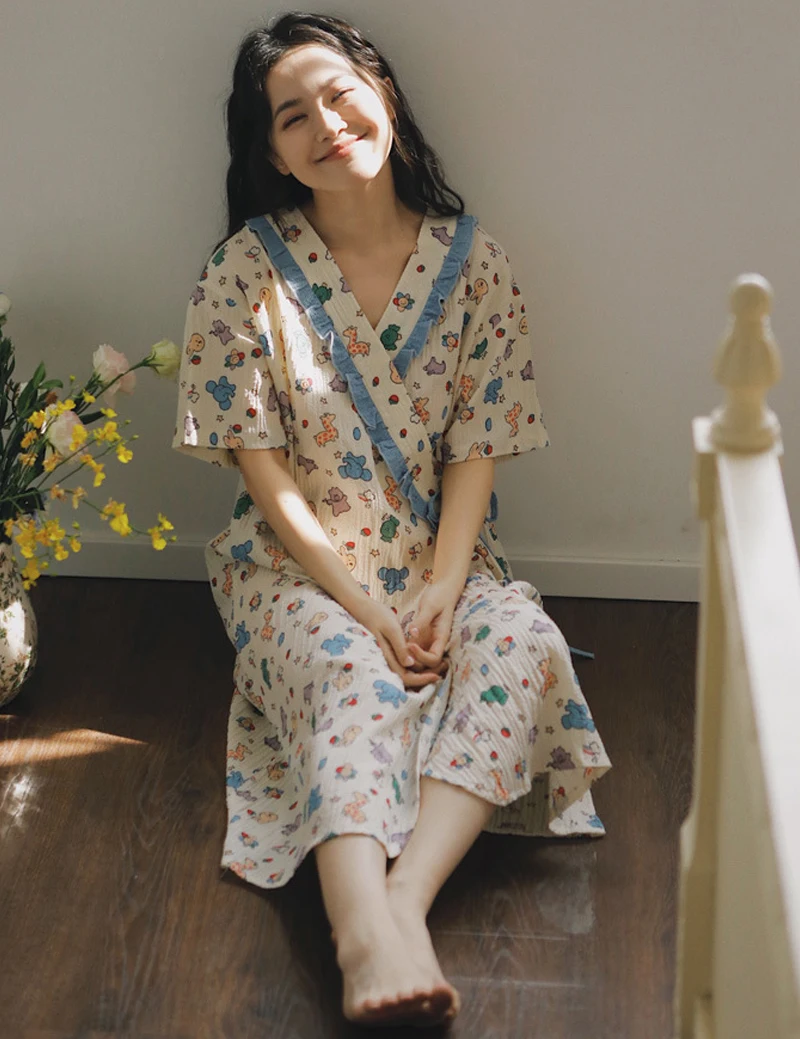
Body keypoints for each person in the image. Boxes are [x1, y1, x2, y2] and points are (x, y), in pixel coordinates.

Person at [172, 11, 612, 1029]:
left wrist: (447, 585)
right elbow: (265, 475)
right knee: (351, 677)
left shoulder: (476, 263)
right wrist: (366, 609)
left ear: (385, 97)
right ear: (270, 153)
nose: (326, 124)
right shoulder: (242, 272)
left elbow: (476, 447)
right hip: (294, 569)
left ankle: (403, 898)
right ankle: (359, 930)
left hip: (440, 554)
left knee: (524, 639)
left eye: (339, 95)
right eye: (292, 116)